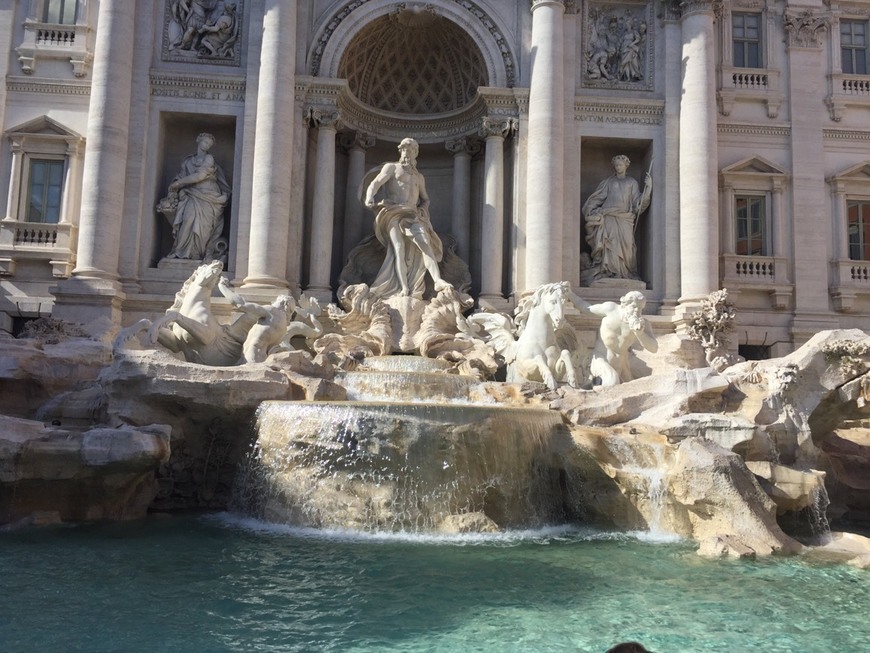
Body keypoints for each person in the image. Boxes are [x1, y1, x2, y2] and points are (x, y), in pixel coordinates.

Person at [364, 138, 452, 299]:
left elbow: (425, 198)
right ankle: (403, 288)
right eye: (404, 149)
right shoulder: (392, 168)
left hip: (412, 215)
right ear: (400, 151)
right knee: (398, 249)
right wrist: (370, 196)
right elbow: (375, 183)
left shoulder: (419, 177)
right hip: (393, 212)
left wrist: (422, 210)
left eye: (411, 149)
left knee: (425, 244)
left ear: (415, 153)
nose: (407, 152)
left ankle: (437, 280)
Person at [158, 133, 230, 261]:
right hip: (191, 195)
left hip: (209, 197)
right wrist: (176, 184)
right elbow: (181, 175)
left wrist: (179, 183)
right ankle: (180, 251)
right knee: (188, 220)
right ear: (198, 140)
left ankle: (197, 254)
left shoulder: (209, 158)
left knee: (204, 227)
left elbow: (200, 176)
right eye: (205, 142)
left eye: (209, 144)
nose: (206, 145)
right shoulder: (188, 161)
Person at [582, 155, 651, 282]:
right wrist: (591, 210)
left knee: (627, 247)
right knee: (609, 245)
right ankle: (609, 272)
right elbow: (597, 198)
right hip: (609, 217)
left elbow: (638, 203)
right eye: (616, 165)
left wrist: (648, 188)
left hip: (625, 218)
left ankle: (625, 272)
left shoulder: (632, 182)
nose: (618, 167)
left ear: (626, 166)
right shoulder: (609, 182)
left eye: (620, 165)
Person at [589, 290, 658, 386]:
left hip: (621, 364)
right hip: (601, 358)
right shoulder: (611, 309)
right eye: (634, 307)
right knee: (612, 382)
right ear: (624, 305)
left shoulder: (643, 323)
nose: (637, 311)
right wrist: (569, 295)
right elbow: (585, 308)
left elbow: (654, 348)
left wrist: (640, 334)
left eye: (640, 309)